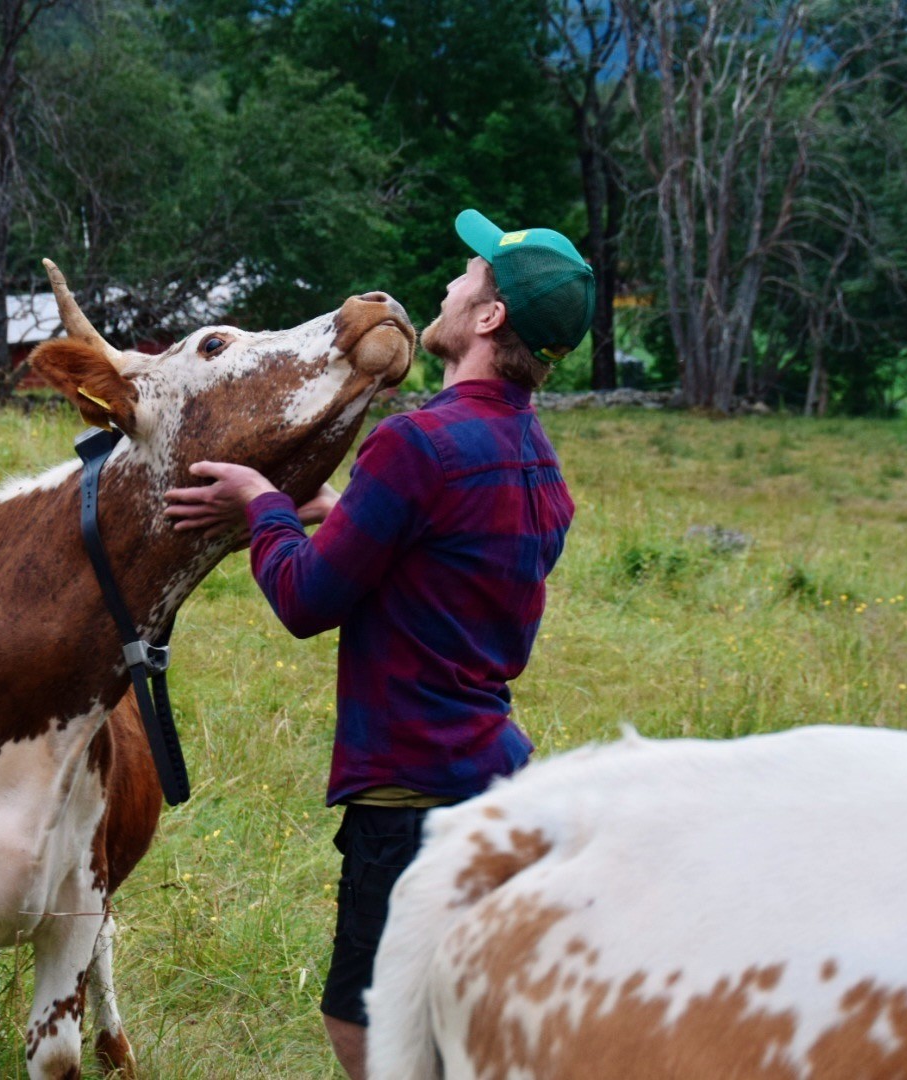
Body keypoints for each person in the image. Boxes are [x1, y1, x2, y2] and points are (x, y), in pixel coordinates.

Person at [164, 208, 595, 1079]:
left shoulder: (414, 443)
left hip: (410, 800)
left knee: (365, 1029)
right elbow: (442, 559)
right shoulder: (538, 462)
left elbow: (304, 598)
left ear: (488, 318)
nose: (449, 282)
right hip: (501, 787)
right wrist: (337, 511)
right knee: (466, 1025)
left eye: (469, 276)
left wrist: (263, 503)